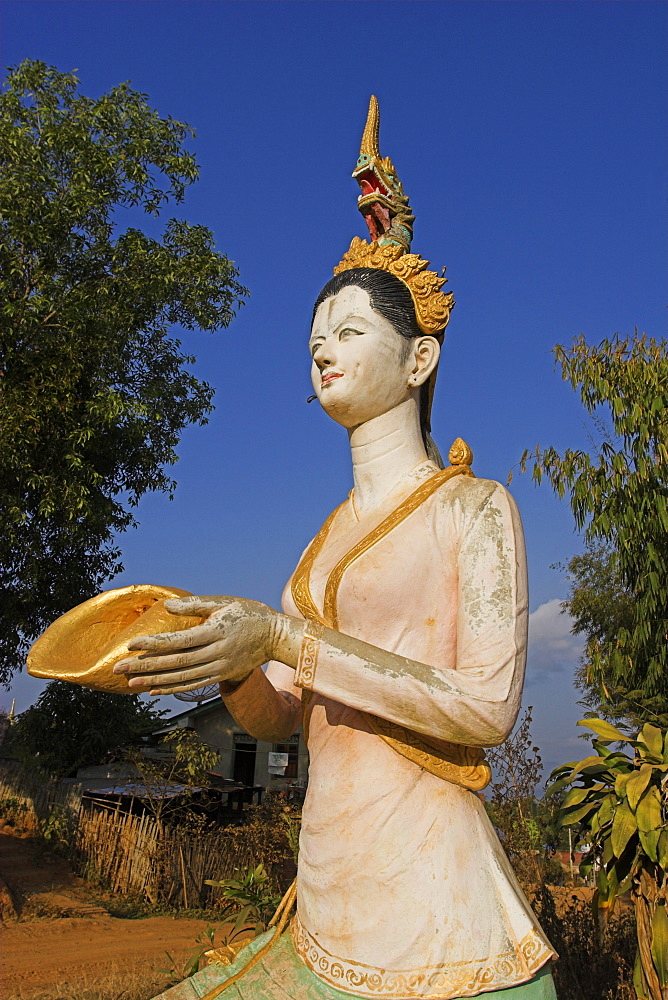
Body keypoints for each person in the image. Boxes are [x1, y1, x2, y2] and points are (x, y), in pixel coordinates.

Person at [113, 103, 558, 1000]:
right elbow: (282, 720)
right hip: (326, 904)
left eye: (350, 331)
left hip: (437, 922)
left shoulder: (473, 509)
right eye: (316, 337)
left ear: (421, 358)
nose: (323, 349)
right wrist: (226, 659)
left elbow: (483, 708)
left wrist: (285, 639)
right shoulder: (316, 554)